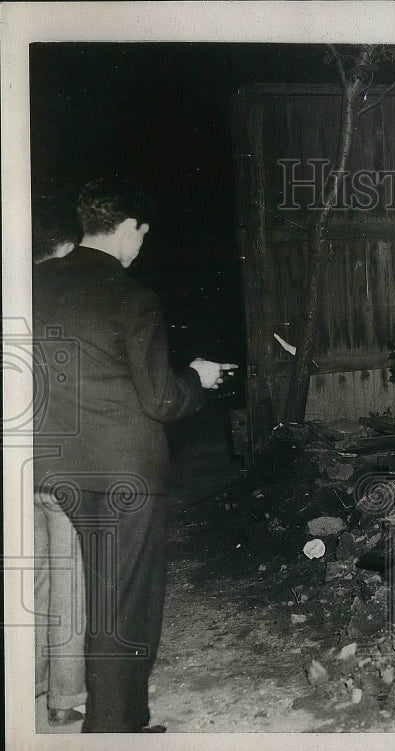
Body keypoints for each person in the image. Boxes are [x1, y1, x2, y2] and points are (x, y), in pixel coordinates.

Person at [33, 178, 237, 733]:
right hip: (125, 475)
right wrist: (197, 379)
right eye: (141, 234)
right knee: (125, 603)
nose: (140, 245)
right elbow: (161, 399)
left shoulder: (32, 282)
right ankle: (114, 727)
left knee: (81, 588)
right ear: (127, 229)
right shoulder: (132, 297)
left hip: (51, 468)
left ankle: (94, 711)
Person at [32, 193, 87, 726]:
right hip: (58, 462)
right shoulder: (65, 302)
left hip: (17, 464)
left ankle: (29, 678)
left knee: (33, 576)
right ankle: (65, 697)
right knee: (68, 575)